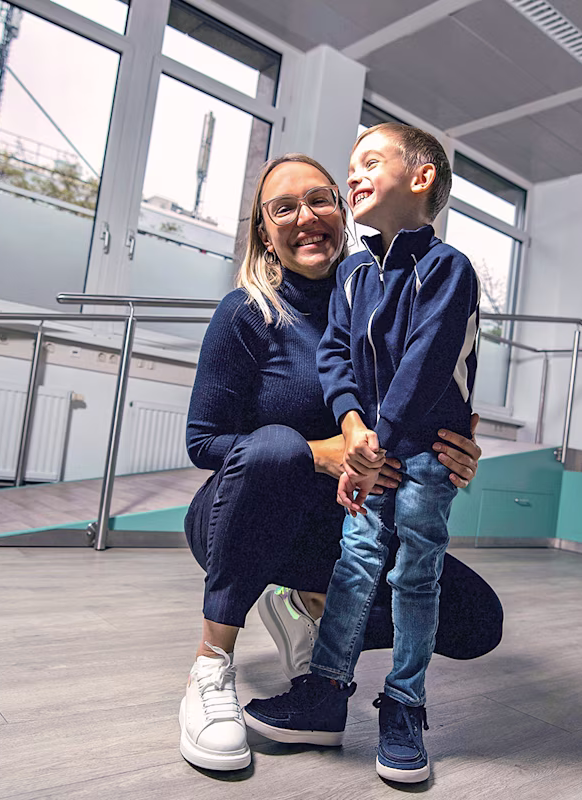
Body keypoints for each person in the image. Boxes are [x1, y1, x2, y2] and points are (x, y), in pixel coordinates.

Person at [179, 151, 503, 773]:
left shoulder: (389, 302)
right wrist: (316, 453)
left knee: (476, 620)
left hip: (350, 526)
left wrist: (458, 449)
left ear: (343, 211)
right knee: (274, 445)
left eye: (320, 199)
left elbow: (431, 392)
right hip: (242, 518)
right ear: (265, 235)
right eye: (284, 208)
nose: (306, 216)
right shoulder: (247, 314)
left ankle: (304, 608)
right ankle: (210, 665)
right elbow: (203, 443)